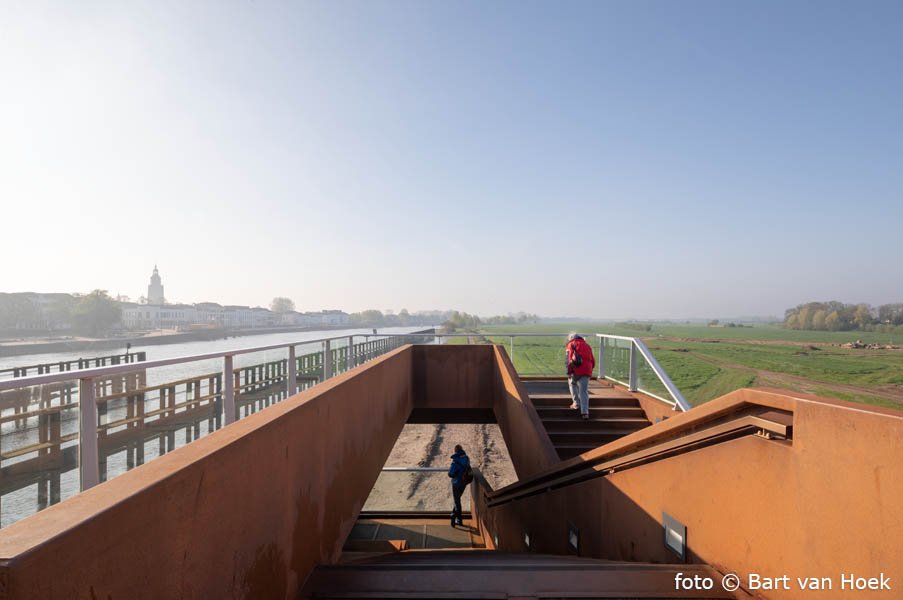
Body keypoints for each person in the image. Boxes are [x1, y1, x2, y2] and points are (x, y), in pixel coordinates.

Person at [566, 333, 596, 419]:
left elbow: (568, 359)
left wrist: (569, 371)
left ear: (571, 338)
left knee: (572, 383)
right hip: (587, 370)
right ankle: (585, 412)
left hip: (576, 369)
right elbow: (593, 360)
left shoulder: (570, 344)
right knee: (584, 391)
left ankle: (576, 403)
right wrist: (590, 369)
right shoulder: (587, 345)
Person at [447, 444, 470, 527]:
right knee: (457, 500)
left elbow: (450, 474)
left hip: (456, 483)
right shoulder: (466, 458)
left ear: (455, 451)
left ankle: (455, 517)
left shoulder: (455, 461)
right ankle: (457, 518)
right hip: (464, 483)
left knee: (457, 502)